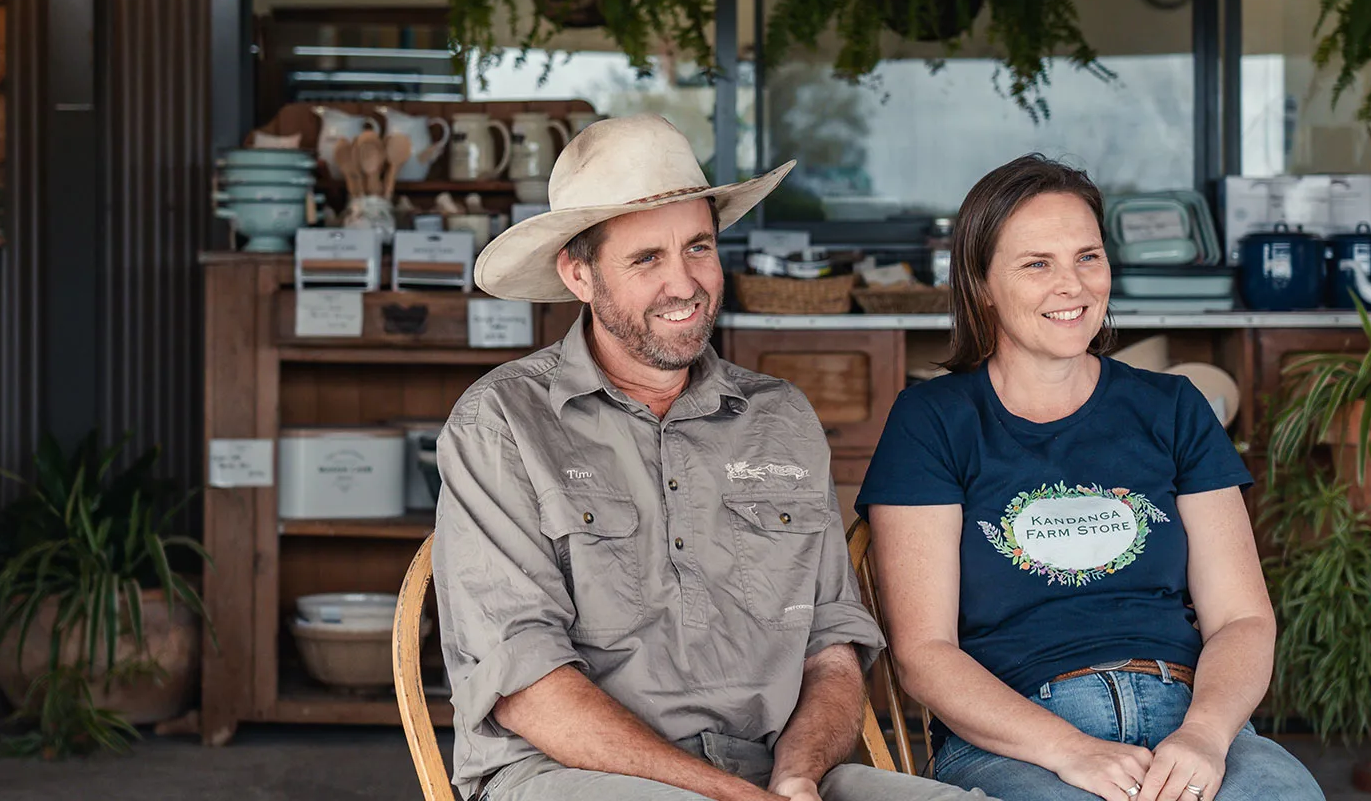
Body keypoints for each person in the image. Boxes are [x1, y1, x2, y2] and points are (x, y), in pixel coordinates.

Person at [432, 114, 992, 801]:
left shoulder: (778, 418)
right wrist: (723, 795)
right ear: (579, 274)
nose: (685, 284)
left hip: (767, 774)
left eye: (698, 247)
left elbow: (831, 650)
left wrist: (797, 776)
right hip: (569, 775)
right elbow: (525, 685)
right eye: (646, 259)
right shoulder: (502, 424)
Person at [857, 155, 1324, 801]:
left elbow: (1243, 619)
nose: (1072, 286)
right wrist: (1071, 750)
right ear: (981, 283)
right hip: (1018, 739)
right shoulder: (933, 422)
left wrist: (1206, 736)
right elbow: (924, 654)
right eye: (1036, 263)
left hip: (1188, 717)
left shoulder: (1174, 409)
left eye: (1087, 257)